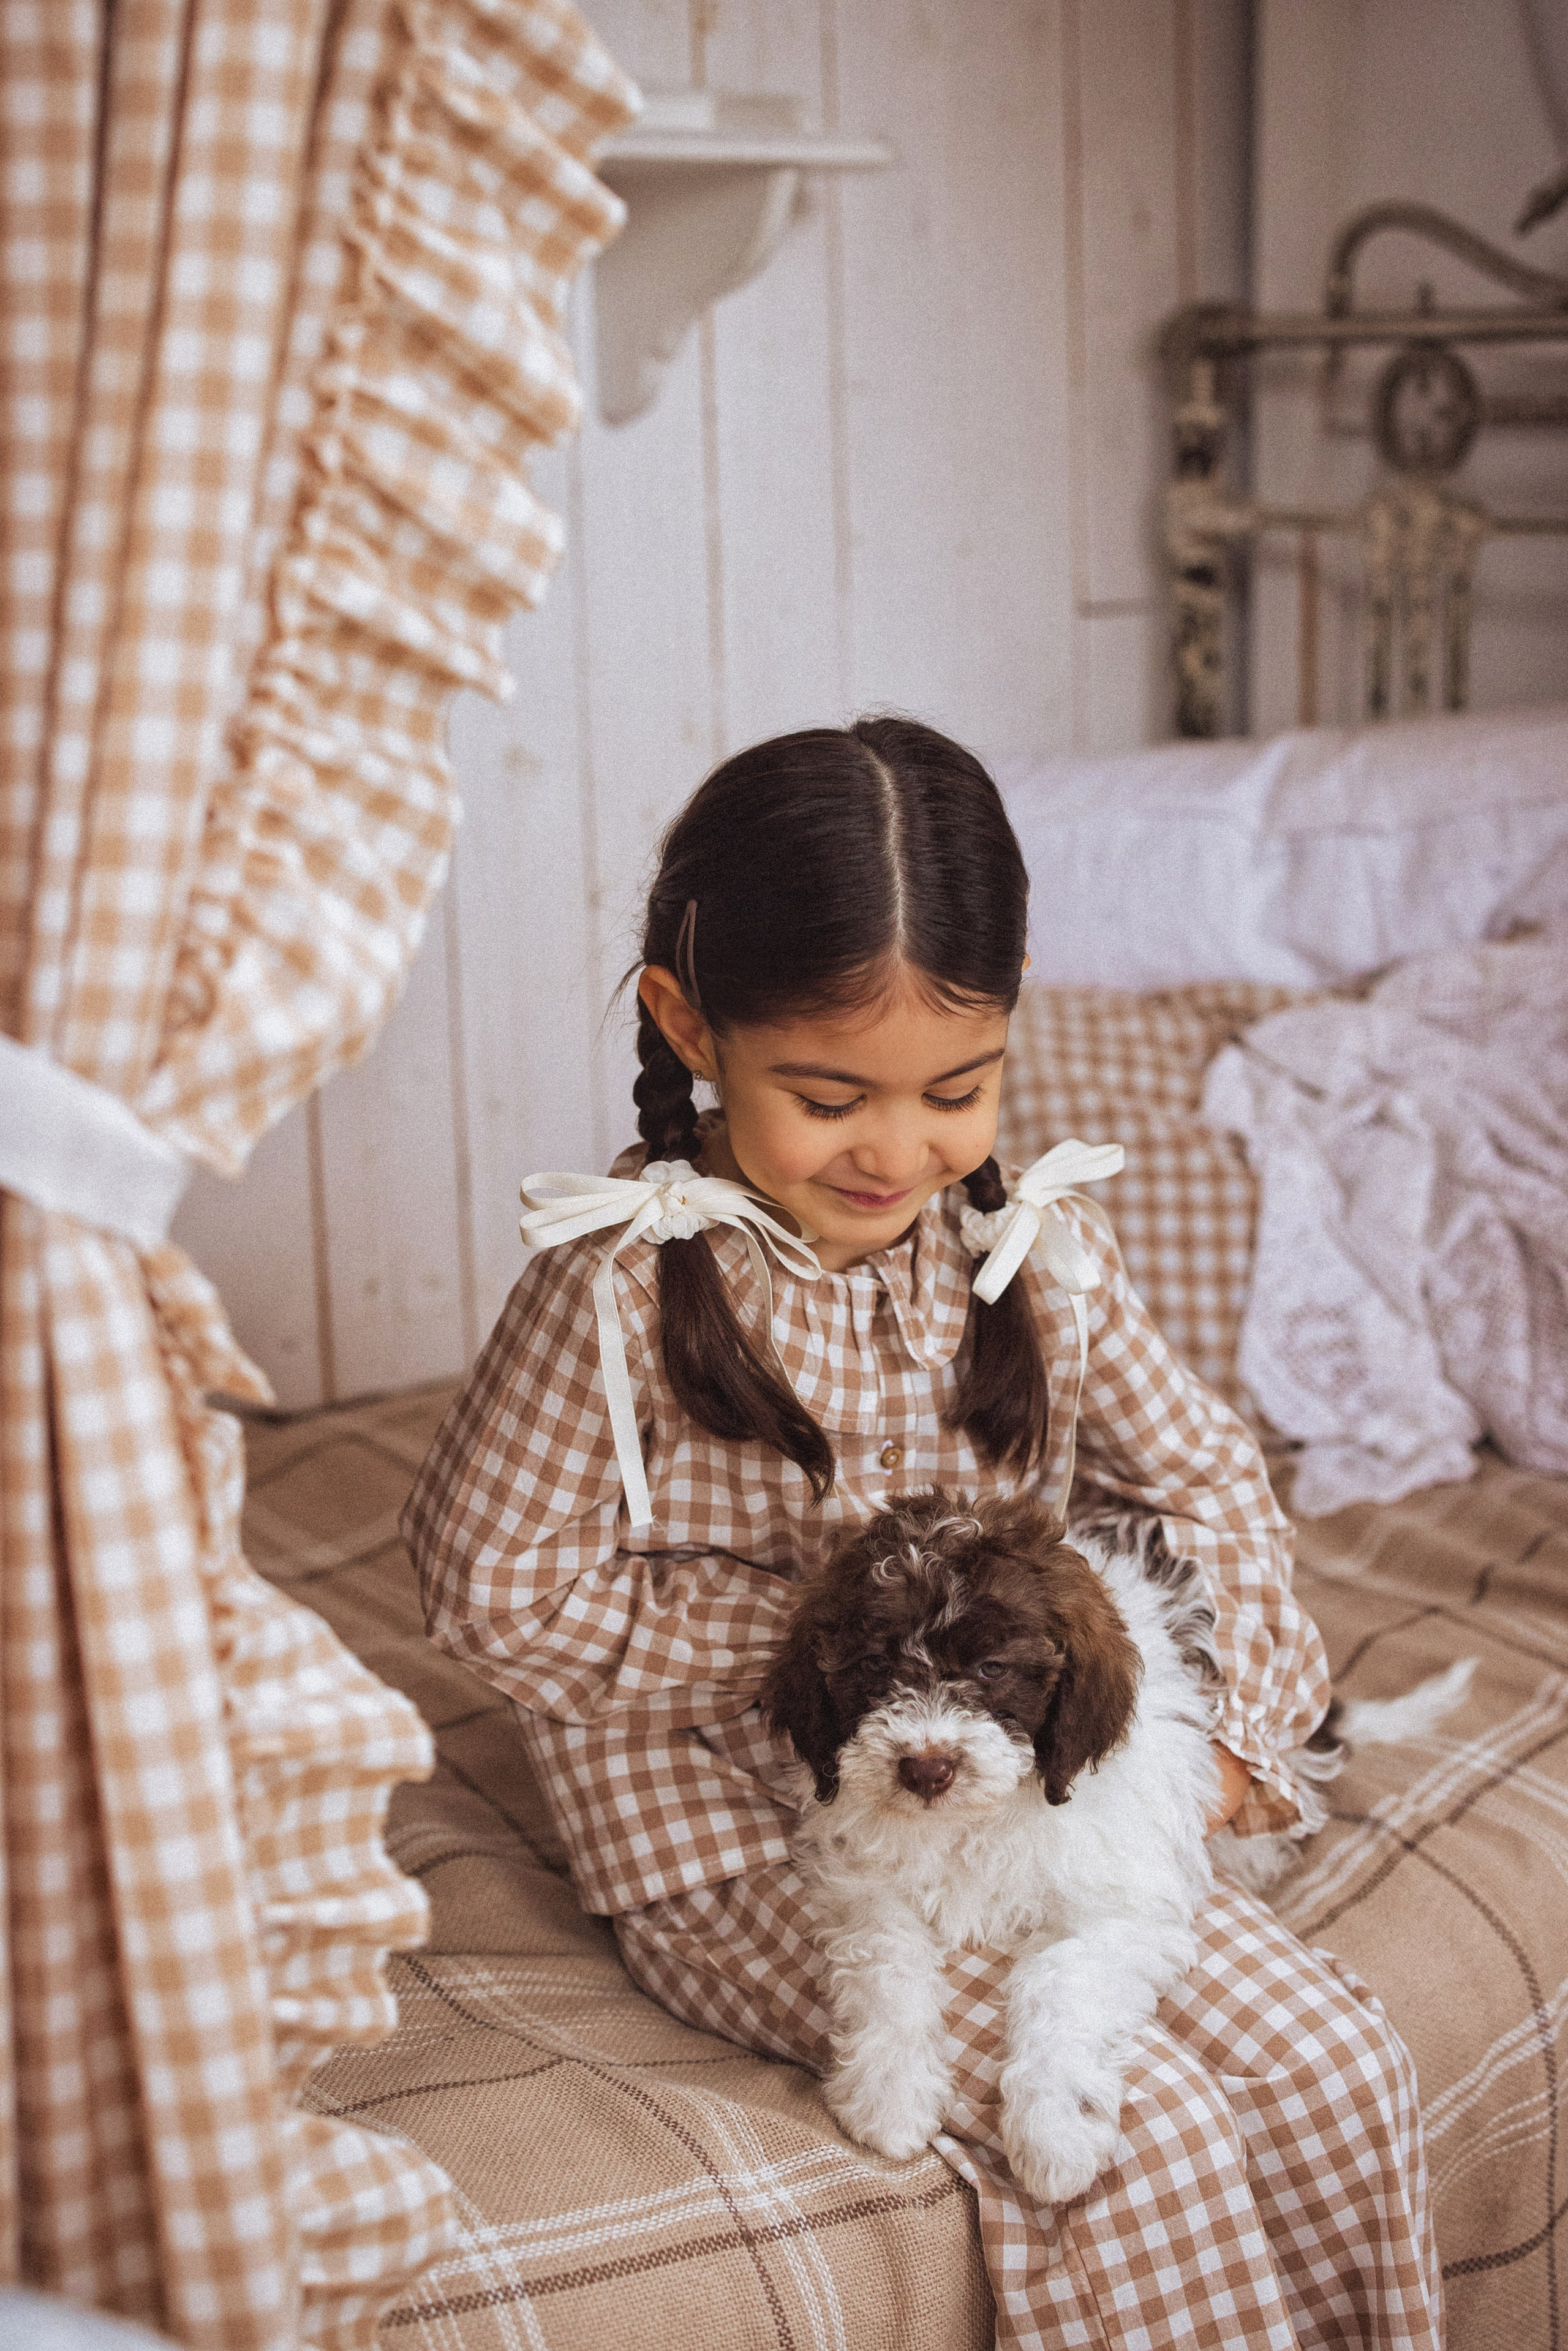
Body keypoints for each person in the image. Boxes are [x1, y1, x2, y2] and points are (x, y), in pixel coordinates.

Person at [404, 717, 1441, 2351]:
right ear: (689, 1027)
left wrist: (1239, 1720)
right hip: (736, 1825)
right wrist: (823, 1644)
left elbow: (1209, 1484)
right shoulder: (615, 1286)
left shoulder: (1026, 1247)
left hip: (1009, 1807)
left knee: (1329, 2057)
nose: (897, 1152)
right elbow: (489, 1592)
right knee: (1123, 2138)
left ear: (1015, 1003)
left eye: (955, 1089)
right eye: (828, 1097)